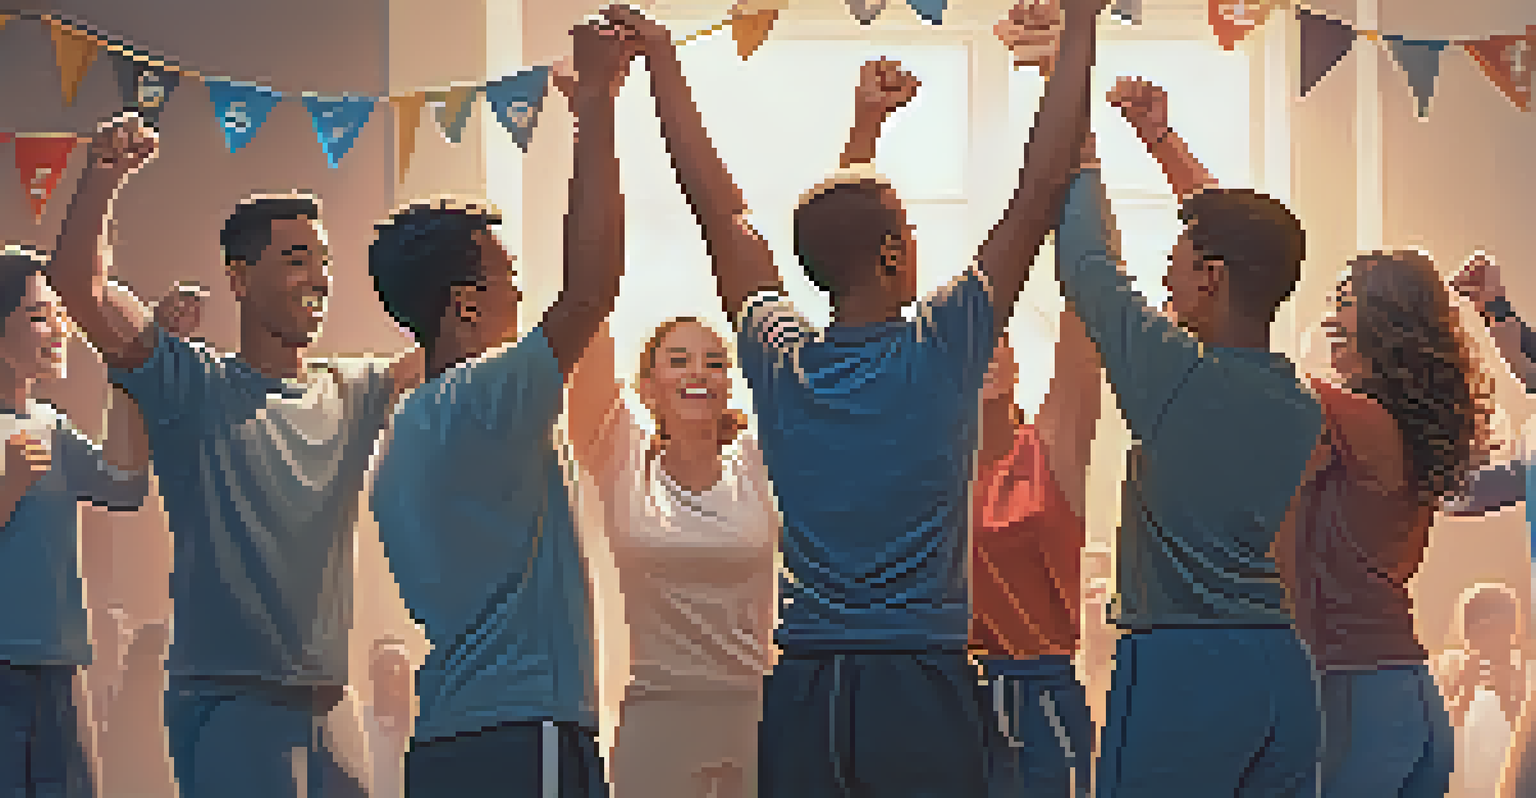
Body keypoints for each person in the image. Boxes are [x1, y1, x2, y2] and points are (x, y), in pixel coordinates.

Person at [600, 0, 1099, 793]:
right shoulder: (943, 343)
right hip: (919, 682)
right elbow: (1040, 188)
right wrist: (1079, 26)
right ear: (900, 252)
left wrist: (663, 63)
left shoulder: (779, 356)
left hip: (806, 688)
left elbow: (720, 212)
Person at [1114, 76, 1490, 797]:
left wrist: (1163, 147)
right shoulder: (1388, 422)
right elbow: (1249, 287)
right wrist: (1162, 143)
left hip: (1353, 696)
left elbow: (1247, 296)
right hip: (1403, 697)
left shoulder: (1347, 416)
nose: (1326, 318)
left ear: (1388, 327)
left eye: (1343, 305)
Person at [566, 57, 917, 798]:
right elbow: (587, 295)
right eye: (680, 360)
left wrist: (865, 128)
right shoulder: (619, 453)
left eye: (716, 360)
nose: (700, 372)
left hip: (762, 713)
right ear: (649, 384)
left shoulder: (762, 460)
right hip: (657, 719)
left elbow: (841, 299)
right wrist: (592, 123)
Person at [47, 112, 426, 798]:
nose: (317, 277)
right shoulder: (193, 383)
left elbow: (453, 352)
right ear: (240, 279)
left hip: (331, 707)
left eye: (323, 261)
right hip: (230, 706)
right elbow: (82, 290)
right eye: (295, 258)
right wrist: (102, 176)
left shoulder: (353, 387)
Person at [366, 12, 634, 796]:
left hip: (450, 741)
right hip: (524, 738)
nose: (520, 289)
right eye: (505, 273)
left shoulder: (408, 429)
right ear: (465, 305)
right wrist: (596, 108)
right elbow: (592, 286)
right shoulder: (482, 400)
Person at [1065, 77, 1322, 796]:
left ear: (1208, 277)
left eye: (1176, 265)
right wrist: (1159, 141)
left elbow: (1090, 267)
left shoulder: (1176, 376)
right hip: (1278, 673)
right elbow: (1252, 243)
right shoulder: (1299, 403)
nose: (1164, 280)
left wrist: (1080, 155)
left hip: (1183, 671)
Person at [0, 244, 202, 798]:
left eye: (58, 314)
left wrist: (133, 370)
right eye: (39, 316)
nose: (59, 330)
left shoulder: (49, 425)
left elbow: (123, 483)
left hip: (61, 664)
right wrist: (8, 486)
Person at [970, 316, 1102, 798]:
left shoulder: (1046, 451)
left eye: (992, 340)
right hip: (957, 690)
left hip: (1041, 689)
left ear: (1012, 358)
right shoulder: (935, 467)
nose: (981, 354)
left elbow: (1080, 355)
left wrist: (1068, 238)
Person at [1434, 583, 1528, 798]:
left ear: (1514, 630)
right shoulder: (1445, 668)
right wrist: (1463, 693)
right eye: (1479, 630)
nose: (1489, 641)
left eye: (1498, 629)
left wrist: (1510, 700)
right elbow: (1431, 742)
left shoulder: (1528, 673)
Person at [359, 639, 412, 798]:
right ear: (372, 675)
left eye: (400, 670)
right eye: (386, 670)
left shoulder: (419, 725)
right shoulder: (359, 723)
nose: (393, 677)